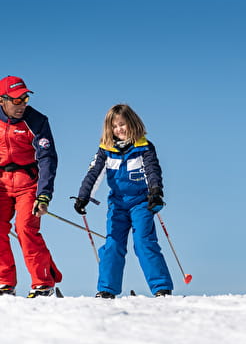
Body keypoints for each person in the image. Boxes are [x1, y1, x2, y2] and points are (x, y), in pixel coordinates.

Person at [74, 104, 173, 298]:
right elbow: (94, 173)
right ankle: (106, 289)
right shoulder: (106, 150)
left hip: (141, 202)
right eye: (114, 126)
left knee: (143, 241)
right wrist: (84, 196)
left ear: (132, 124)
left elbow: (153, 171)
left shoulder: (143, 147)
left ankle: (161, 287)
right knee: (113, 243)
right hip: (118, 204)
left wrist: (155, 192)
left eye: (122, 124)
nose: (119, 129)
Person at [0, 75, 62, 297]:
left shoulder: (37, 121)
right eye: (16, 100)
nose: (22, 104)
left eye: (25, 98)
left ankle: (42, 282)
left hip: (28, 183)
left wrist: (44, 195)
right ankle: (4, 282)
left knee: (25, 228)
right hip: (1, 184)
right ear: (2, 100)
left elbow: (47, 158)